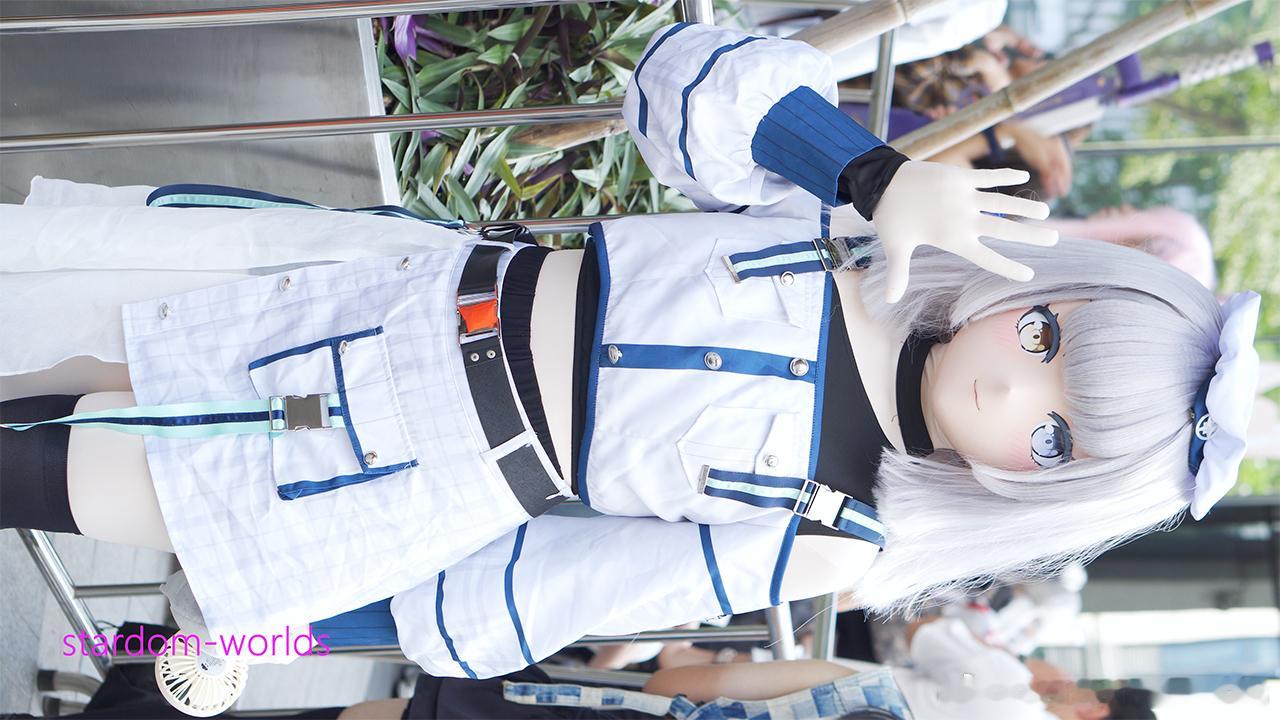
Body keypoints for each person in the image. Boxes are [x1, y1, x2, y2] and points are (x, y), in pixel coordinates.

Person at [0, 22, 1259, 684]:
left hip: (396, 461)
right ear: (1041, 287)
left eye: (1050, 434)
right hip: (378, 282)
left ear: (1039, 493)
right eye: (1043, 336)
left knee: (44, 467)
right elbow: (679, 81)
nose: (1004, 383)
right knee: (51, 315)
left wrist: (261, 624)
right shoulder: (848, 234)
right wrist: (863, 169)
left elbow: (565, 588)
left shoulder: (845, 529)